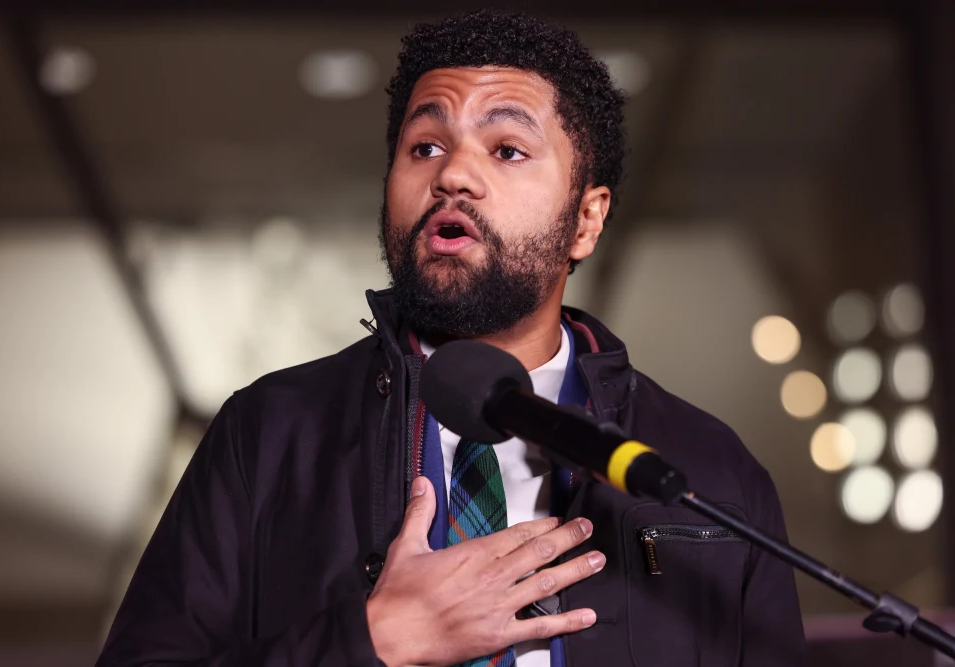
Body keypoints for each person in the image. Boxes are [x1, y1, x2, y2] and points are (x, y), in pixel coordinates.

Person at [96, 10, 805, 667]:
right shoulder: (270, 433)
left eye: (507, 150)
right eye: (425, 146)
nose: (453, 175)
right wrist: (371, 639)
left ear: (586, 220)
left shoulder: (709, 475)